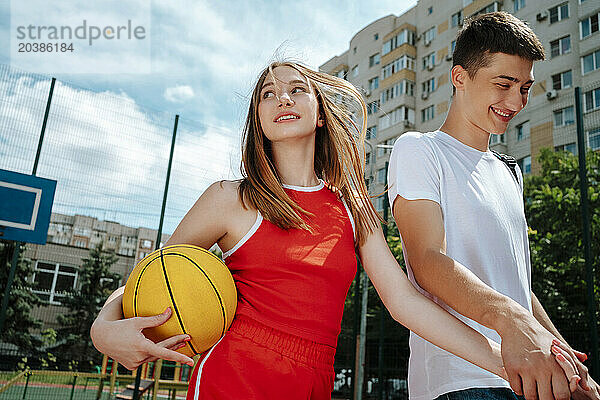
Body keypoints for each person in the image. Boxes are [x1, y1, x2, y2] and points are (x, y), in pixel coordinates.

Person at [90, 61, 577, 400]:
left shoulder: (351, 206)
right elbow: (153, 277)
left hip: (313, 378)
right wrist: (102, 329)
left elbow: (405, 302)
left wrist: (505, 364)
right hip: (235, 373)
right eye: (268, 94)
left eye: (296, 89)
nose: (282, 97)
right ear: (258, 120)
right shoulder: (230, 198)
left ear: (320, 112)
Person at [388, 11, 599, 400]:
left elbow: (517, 287)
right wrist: (509, 318)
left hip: (529, 379)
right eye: (503, 84)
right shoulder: (420, 149)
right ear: (459, 78)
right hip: (461, 381)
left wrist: (563, 356)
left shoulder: (508, 172)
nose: (515, 100)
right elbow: (427, 259)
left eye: (524, 87)